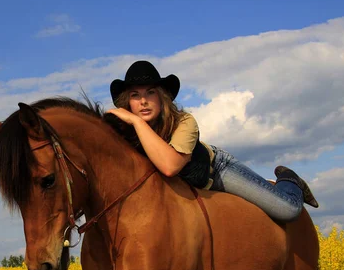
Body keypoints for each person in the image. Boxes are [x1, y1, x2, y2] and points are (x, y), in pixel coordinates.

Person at [106, 60, 318, 222]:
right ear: (128, 101)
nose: (143, 101)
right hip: (178, 194)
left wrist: (135, 121)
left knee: (287, 210)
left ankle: (289, 180)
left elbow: (170, 167)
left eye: (150, 92)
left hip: (215, 172)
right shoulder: (125, 133)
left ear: (162, 97)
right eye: (135, 95)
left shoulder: (184, 121)